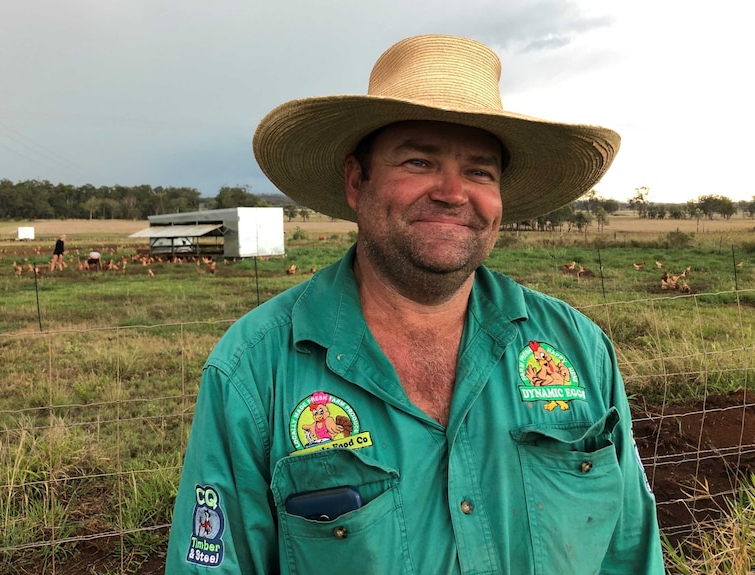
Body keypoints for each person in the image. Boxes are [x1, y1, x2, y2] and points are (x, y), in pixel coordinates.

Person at [165, 35, 664, 574]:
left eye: (480, 171)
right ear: (358, 182)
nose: (453, 192)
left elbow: (629, 553)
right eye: (420, 161)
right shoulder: (253, 368)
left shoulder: (578, 348)